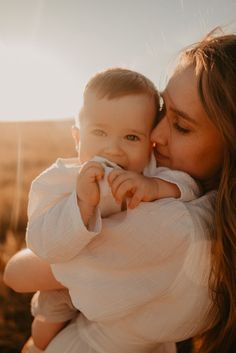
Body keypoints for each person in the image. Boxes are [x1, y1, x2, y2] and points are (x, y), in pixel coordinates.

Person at [4, 29, 236, 353]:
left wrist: (153, 187)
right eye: (162, 113)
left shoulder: (174, 228)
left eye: (181, 125)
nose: (154, 134)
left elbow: (18, 273)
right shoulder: (207, 207)